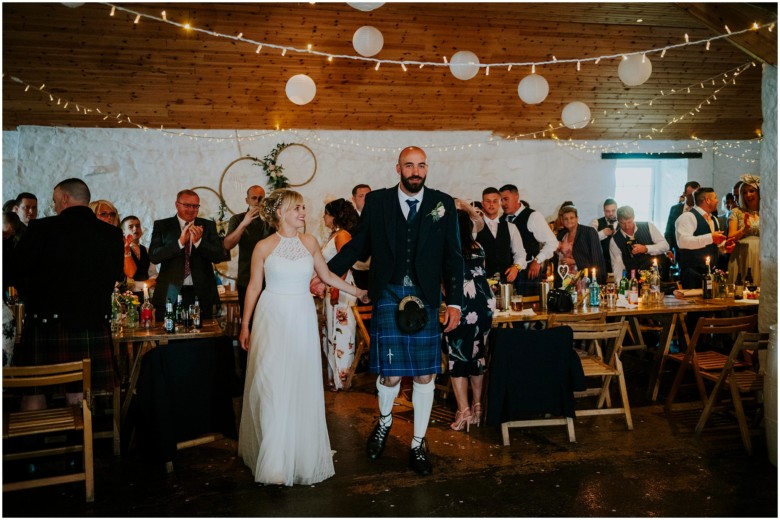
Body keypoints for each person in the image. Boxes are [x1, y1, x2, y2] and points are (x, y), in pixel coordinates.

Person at [320, 146, 464, 476]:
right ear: (397, 168)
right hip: (388, 292)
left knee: (426, 373)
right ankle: (384, 423)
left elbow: (453, 257)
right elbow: (358, 246)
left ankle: (418, 442)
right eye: (409, 165)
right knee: (391, 372)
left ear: (427, 169)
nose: (416, 171)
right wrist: (326, 274)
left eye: (421, 165)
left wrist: (454, 302)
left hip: (426, 296)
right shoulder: (379, 201)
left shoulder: (442, 203)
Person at [237, 189, 367, 486]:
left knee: (298, 381)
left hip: (301, 315)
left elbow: (328, 275)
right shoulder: (263, 247)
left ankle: (298, 450)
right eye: (297, 209)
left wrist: (357, 291)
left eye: (304, 208)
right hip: (271, 315)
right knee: (271, 382)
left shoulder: (309, 243)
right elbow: (254, 287)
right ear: (280, 212)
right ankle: (274, 460)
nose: (303, 213)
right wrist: (245, 325)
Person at [13, 178, 123, 405]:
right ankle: (83, 440)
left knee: (35, 391)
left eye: (54, 201)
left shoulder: (42, 229)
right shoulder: (111, 235)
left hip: (46, 323)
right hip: (93, 323)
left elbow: (16, 271)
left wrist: (31, 295)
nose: (54, 207)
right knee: (80, 393)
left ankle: (37, 440)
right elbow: (113, 277)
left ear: (64, 198)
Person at [444, 201, 494, 432]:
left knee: (457, 356)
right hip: (484, 304)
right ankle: (477, 408)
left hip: (461, 305)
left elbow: (443, 284)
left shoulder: (447, 249)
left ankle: (463, 411)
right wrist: (464, 206)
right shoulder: (478, 247)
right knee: (477, 354)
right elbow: (478, 221)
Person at [149, 190, 225, 320]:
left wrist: (199, 242)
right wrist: (179, 243)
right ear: (177, 205)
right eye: (187, 205)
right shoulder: (162, 226)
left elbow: (218, 256)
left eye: (195, 206)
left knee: (202, 337)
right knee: (171, 336)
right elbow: (154, 256)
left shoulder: (208, 225)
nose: (191, 209)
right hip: (170, 293)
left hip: (201, 294)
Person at [319, 198, 360, 391]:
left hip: (342, 288)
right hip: (332, 286)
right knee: (330, 332)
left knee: (342, 333)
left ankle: (342, 378)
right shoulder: (334, 235)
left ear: (335, 216)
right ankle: (333, 377)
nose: (324, 217)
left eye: (326, 213)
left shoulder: (343, 235)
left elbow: (345, 260)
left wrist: (336, 287)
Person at [223, 185, 274, 317]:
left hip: (271, 280)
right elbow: (227, 245)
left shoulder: (272, 220)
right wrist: (244, 224)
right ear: (247, 200)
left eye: (261, 198)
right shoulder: (238, 219)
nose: (258, 201)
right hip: (247, 279)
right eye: (254, 198)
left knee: (269, 321)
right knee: (249, 321)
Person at [499, 185, 557, 296]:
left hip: (528, 273)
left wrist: (537, 260)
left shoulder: (533, 216)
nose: (503, 204)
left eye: (506, 199)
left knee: (528, 309)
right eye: (501, 200)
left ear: (516, 197)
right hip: (507, 273)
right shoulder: (502, 220)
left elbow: (552, 242)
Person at [675, 187, 728, 289]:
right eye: (715, 198)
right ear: (707, 200)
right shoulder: (688, 217)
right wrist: (711, 237)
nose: (717, 201)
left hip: (710, 272)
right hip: (692, 272)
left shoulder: (714, 219)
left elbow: (713, 244)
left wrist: (724, 246)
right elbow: (683, 242)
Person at [476, 187, 526, 287]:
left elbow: (520, 252)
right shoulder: (474, 227)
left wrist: (516, 267)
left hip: (505, 283)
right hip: (481, 283)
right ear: (482, 203)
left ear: (500, 203)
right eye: (488, 201)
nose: (491, 204)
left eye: (495, 201)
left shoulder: (511, 227)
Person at [610, 205, 670, 280]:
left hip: (656, 277)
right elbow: (617, 266)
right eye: (623, 223)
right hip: (633, 281)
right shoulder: (614, 240)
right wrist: (620, 287)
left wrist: (646, 248)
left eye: (629, 222)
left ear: (634, 217)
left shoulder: (648, 226)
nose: (627, 226)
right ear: (618, 221)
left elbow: (665, 246)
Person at [554, 205, 606, 285]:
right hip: (565, 279)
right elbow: (557, 259)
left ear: (577, 218)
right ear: (562, 220)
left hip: (584, 279)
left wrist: (575, 261)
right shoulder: (561, 235)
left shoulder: (589, 232)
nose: (569, 221)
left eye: (572, 218)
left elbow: (597, 259)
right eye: (566, 219)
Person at [727, 175, 760, 286]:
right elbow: (730, 237)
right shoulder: (737, 212)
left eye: (752, 191)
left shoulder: (768, 212)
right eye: (744, 192)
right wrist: (744, 229)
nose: (748, 195)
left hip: (762, 255)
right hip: (741, 255)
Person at [664, 181, 700, 268]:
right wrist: (668, 250)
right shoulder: (675, 209)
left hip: (697, 253)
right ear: (684, 194)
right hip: (679, 252)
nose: (694, 198)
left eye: (696, 195)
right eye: (691, 195)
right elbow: (669, 231)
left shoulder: (700, 210)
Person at [121, 215, 158, 299]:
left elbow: (152, 273)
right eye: (131, 227)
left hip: (145, 296)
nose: (135, 229)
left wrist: (152, 280)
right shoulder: (120, 251)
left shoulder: (148, 251)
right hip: (126, 296)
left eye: (137, 226)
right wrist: (143, 284)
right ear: (123, 231)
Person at [350, 184, 372, 291]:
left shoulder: (381, 217)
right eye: (361, 196)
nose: (365, 199)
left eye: (368, 195)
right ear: (353, 199)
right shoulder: (348, 221)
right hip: (358, 273)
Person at [590, 198, 618, 275]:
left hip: (619, 262)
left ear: (617, 209)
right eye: (608, 211)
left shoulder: (622, 223)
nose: (611, 213)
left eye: (613, 210)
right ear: (604, 210)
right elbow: (590, 239)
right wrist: (603, 233)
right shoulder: (596, 222)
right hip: (602, 262)